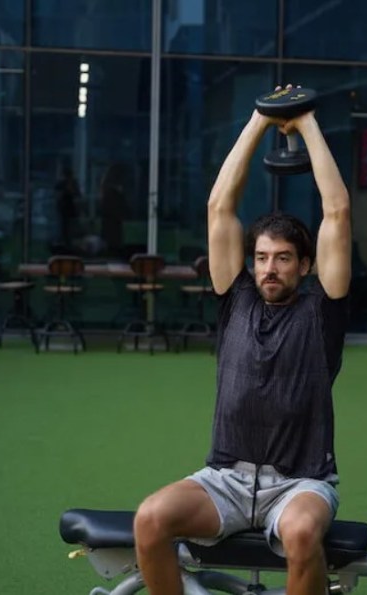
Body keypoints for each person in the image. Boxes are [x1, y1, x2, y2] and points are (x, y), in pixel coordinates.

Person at [133, 84, 352, 595]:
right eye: (261, 257)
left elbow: (337, 212)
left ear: (305, 265)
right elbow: (219, 206)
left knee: (300, 533)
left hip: (301, 483)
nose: (269, 268)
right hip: (226, 479)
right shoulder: (237, 299)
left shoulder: (323, 312)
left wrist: (307, 122)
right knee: (149, 520)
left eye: (281, 258)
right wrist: (259, 119)